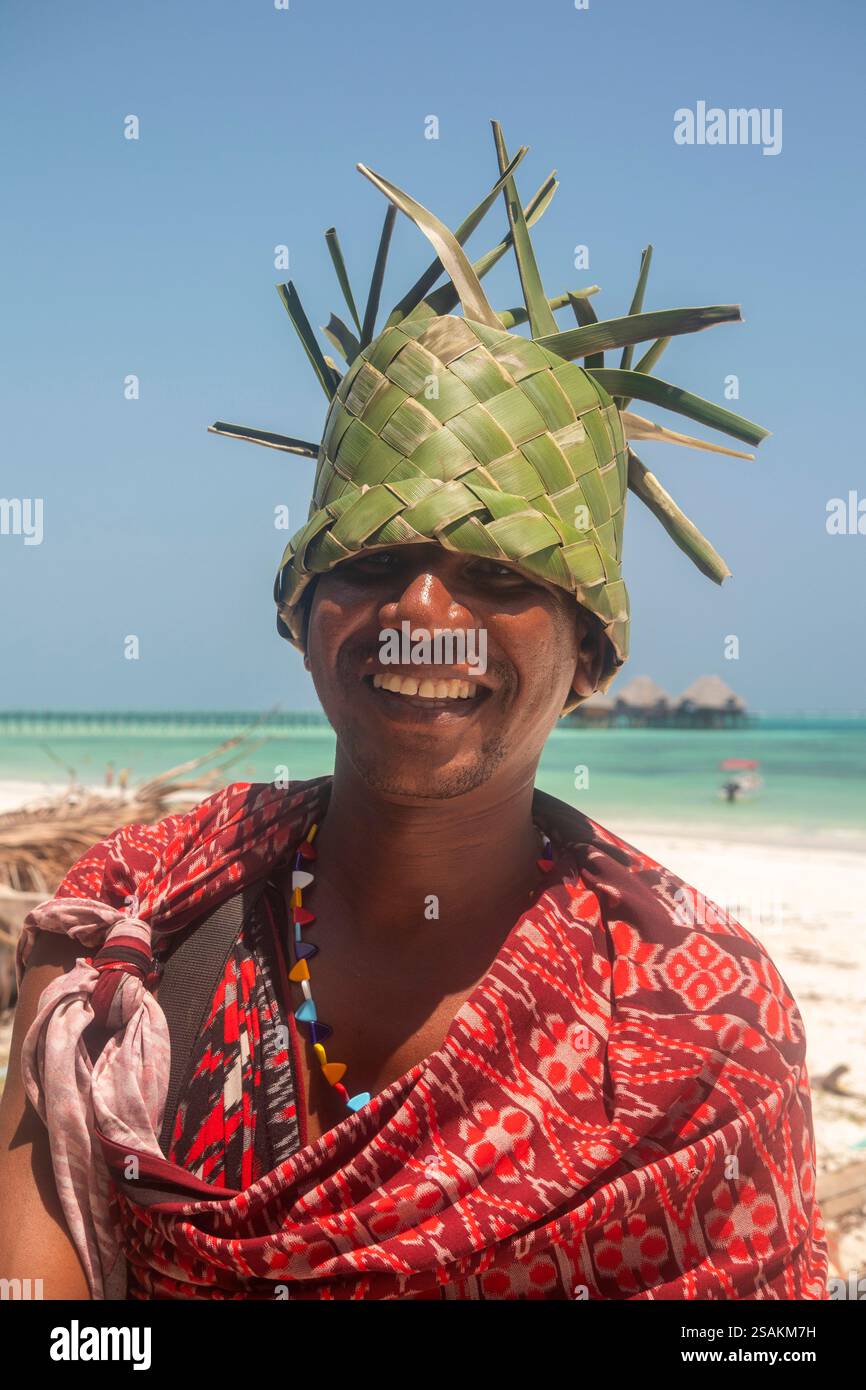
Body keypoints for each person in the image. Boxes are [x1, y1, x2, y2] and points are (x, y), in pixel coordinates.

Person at [0, 127, 827, 1301]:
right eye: (374, 557)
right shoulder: (134, 930)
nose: (423, 610)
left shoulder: (693, 1030)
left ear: (589, 653)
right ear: (300, 606)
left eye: (497, 575)